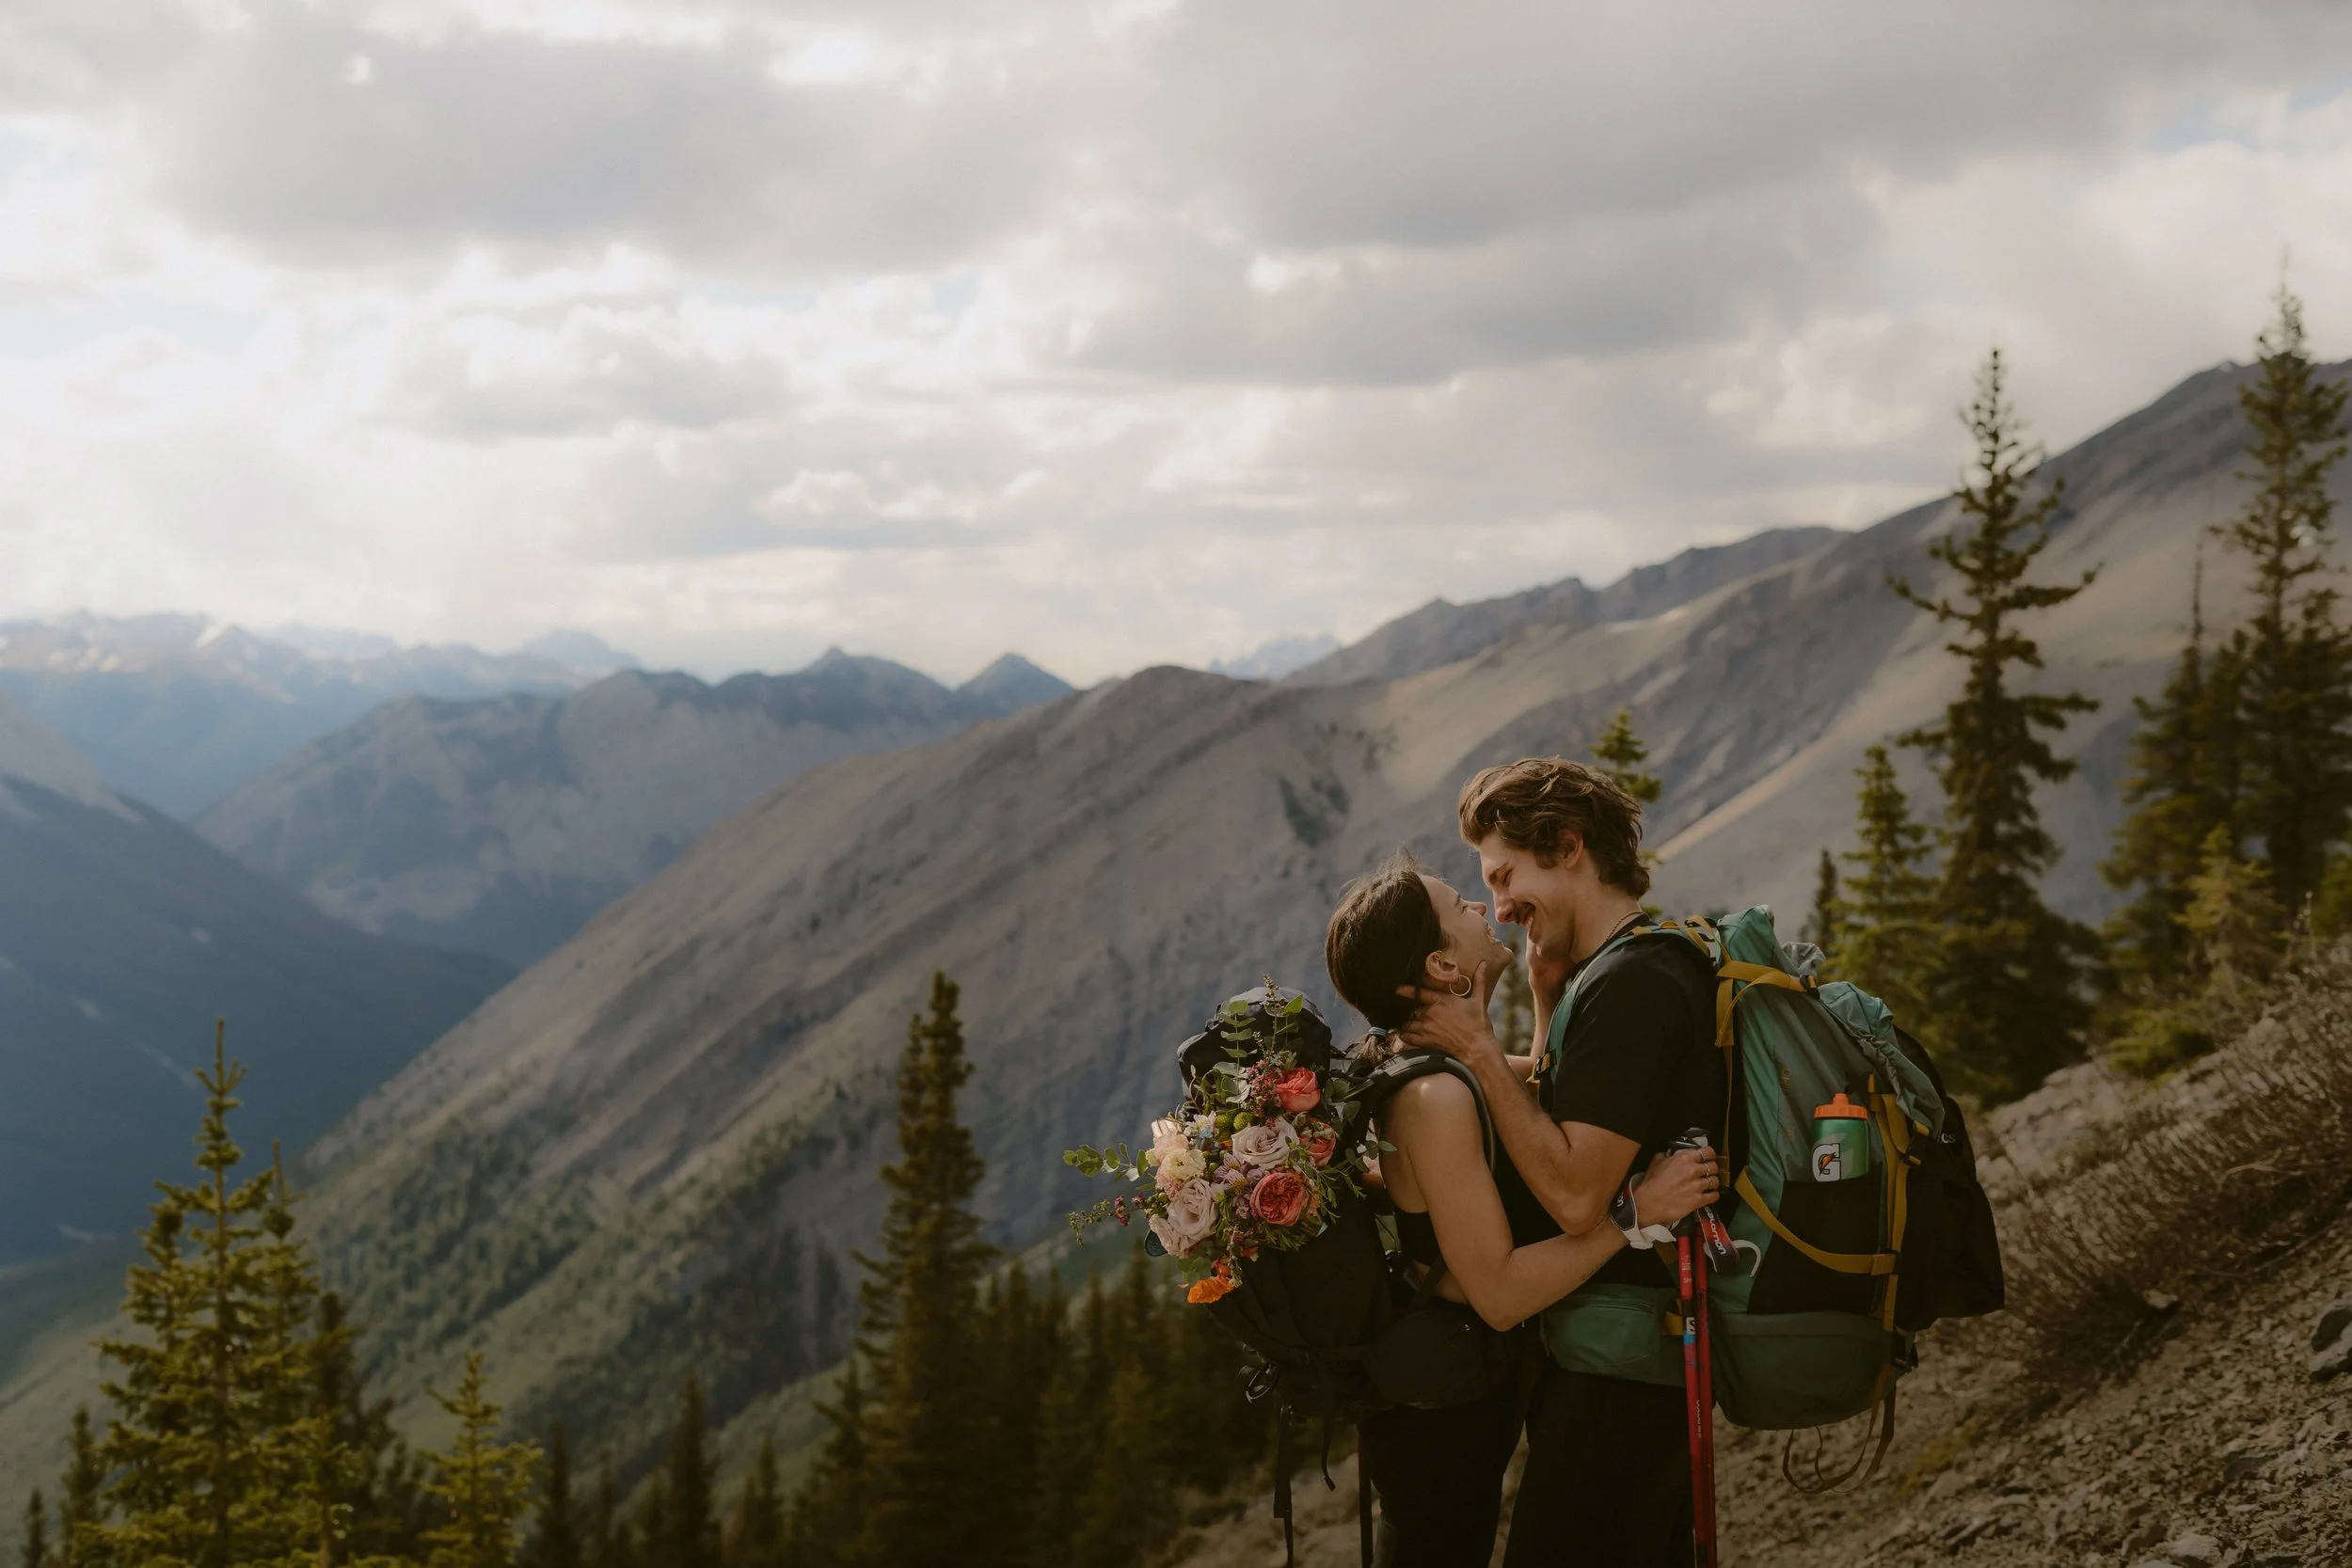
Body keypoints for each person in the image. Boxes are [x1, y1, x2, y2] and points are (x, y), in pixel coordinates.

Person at [1326, 849, 1720, 1568]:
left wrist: (1543, 992)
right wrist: (1634, 1214)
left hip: (1470, 1389)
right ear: (1444, 967)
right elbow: (1502, 1294)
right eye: (1460, 907)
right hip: (1441, 1409)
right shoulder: (1433, 1096)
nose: (1484, 908)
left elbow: (1541, 1095)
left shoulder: (1441, 1063)